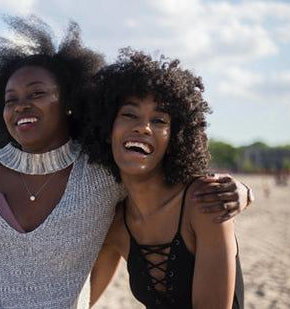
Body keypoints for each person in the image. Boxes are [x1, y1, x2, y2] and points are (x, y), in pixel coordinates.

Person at [0, 17, 251, 309]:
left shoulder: (101, 173)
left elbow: (164, 178)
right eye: (11, 99)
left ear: (70, 102)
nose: (22, 105)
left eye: (37, 92)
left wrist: (242, 191)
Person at [86, 49, 245, 308]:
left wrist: (247, 192)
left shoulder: (203, 202)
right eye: (129, 114)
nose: (143, 127)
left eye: (159, 120)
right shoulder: (116, 224)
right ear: (107, 129)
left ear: (175, 137)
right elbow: (81, 301)